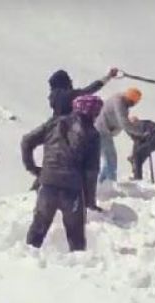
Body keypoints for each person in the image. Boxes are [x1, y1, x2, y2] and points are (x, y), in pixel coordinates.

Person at [21, 95, 104, 251]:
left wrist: (33, 168)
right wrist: (90, 200)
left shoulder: (55, 122)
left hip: (48, 184)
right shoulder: (92, 134)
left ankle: (24, 263)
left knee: (37, 231)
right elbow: (91, 172)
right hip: (72, 190)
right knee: (76, 238)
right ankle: (79, 271)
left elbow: (27, 141)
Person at [95, 88, 143, 182]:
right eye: (132, 103)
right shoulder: (119, 102)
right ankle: (110, 184)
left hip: (103, 132)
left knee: (108, 159)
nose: (132, 105)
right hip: (102, 131)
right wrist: (139, 132)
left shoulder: (121, 101)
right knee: (111, 160)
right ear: (130, 99)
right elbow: (124, 122)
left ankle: (102, 183)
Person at [48, 68, 118, 117]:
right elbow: (89, 90)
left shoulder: (54, 97)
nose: (71, 82)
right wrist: (108, 76)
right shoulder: (69, 95)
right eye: (69, 80)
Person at [125, 116, 155, 181]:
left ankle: (137, 179)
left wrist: (134, 158)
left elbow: (138, 144)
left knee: (138, 154)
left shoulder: (138, 126)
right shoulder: (147, 123)